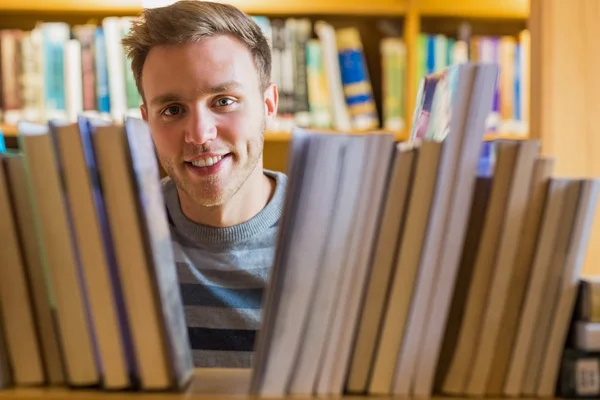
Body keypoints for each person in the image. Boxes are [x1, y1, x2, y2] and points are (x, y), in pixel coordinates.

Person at [122, 0, 287, 369]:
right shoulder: (115, 234)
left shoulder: (340, 229)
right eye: (173, 110)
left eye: (224, 101)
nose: (199, 134)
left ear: (268, 105)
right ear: (146, 120)